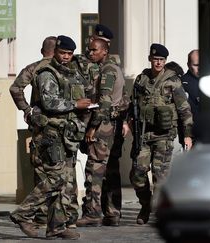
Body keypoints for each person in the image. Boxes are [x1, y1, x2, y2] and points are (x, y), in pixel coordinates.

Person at [9, 35, 91, 240]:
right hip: (50, 134)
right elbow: (49, 103)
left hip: (67, 134)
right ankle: (23, 213)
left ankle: (56, 226)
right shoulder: (46, 73)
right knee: (55, 178)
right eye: (62, 53)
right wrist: (27, 110)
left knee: (64, 182)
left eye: (69, 54)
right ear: (55, 52)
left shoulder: (71, 72)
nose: (65, 57)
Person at [129, 43, 193, 225]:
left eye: (161, 60)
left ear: (165, 61)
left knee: (160, 175)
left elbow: (184, 110)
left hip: (164, 135)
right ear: (150, 59)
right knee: (137, 173)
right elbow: (133, 105)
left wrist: (187, 134)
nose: (158, 63)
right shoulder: (141, 79)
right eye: (155, 59)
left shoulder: (172, 80)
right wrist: (127, 123)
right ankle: (145, 205)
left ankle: (158, 210)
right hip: (143, 134)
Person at [77, 37, 130, 227]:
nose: (91, 53)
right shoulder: (115, 69)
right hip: (112, 125)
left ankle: (92, 213)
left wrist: (93, 126)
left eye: (94, 50)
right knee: (111, 169)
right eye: (89, 50)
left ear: (104, 51)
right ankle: (113, 212)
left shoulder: (107, 71)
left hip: (103, 126)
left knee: (95, 169)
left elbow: (105, 101)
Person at [9, 36, 56, 227]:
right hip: (60, 126)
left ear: (41, 50)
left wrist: (26, 109)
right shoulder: (63, 69)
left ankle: (42, 215)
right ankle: (60, 216)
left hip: (39, 125)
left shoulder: (34, 68)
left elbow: (15, 88)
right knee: (61, 170)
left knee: (40, 168)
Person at [179, 49, 200, 148]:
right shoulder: (181, 83)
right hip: (191, 135)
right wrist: (187, 135)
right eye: (196, 65)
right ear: (188, 65)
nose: (200, 68)